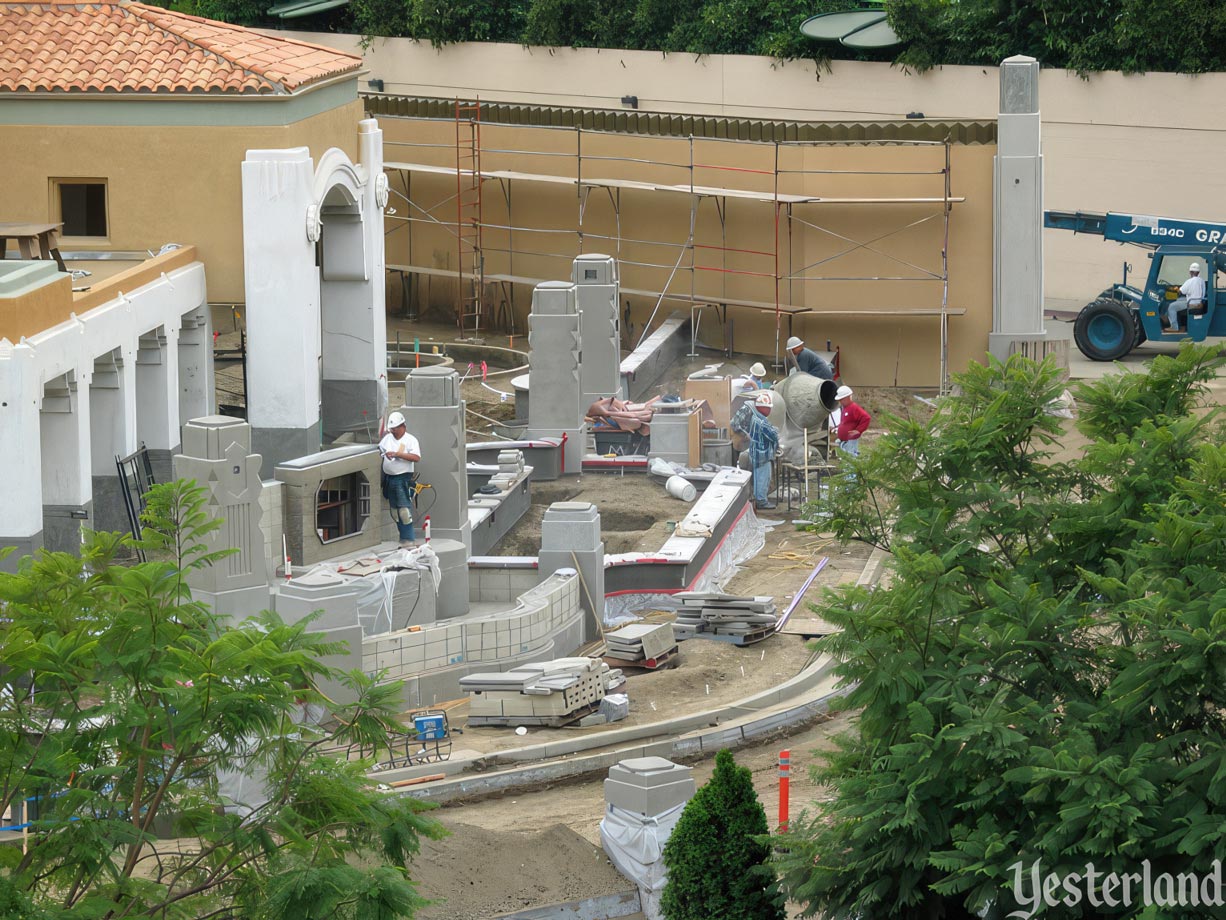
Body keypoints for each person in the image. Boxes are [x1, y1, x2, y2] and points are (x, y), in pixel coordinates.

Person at [379, 411, 421, 548]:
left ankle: (409, 539)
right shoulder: (387, 438)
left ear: (403, 426)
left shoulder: (411, 440)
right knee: (395, 511)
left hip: (402, 477)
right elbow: (380, 450)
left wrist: (398, 454)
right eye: (392, 429)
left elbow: (416, 457)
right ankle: (402, 537)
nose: (394, 431)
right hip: (390, 477)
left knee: (404, 510)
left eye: (396, 428)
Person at [730, 392, 780, 510]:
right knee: (761, 475)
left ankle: (755, 497)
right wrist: (745, 434)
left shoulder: (756, 417)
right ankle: (760, 500)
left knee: (757, 475)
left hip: (753, 449)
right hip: (754, 450)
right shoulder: (751, 413)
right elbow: (734, 424)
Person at [833, 385, 871, 458]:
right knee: (845, 456)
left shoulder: (854, 408)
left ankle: (851, 469)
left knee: (851, 456)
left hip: (851, 440)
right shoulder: (845, 408)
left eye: (841, 399)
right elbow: (846, 422)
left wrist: (858, 430)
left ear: (847, 397)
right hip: (844, 440)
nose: (840, 401)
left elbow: (866, 418)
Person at [1168, 262, 1206, 333]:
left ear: (1190, 272)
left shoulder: (1189, 281)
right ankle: (1182, 325)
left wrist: (1176, 289)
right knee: (1179, 299)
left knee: (1171, 306)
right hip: (1199, 301)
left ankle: (1174, 327)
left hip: (1191, 303)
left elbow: (1181, 291)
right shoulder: (1202, 281)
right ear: (1198, 272)